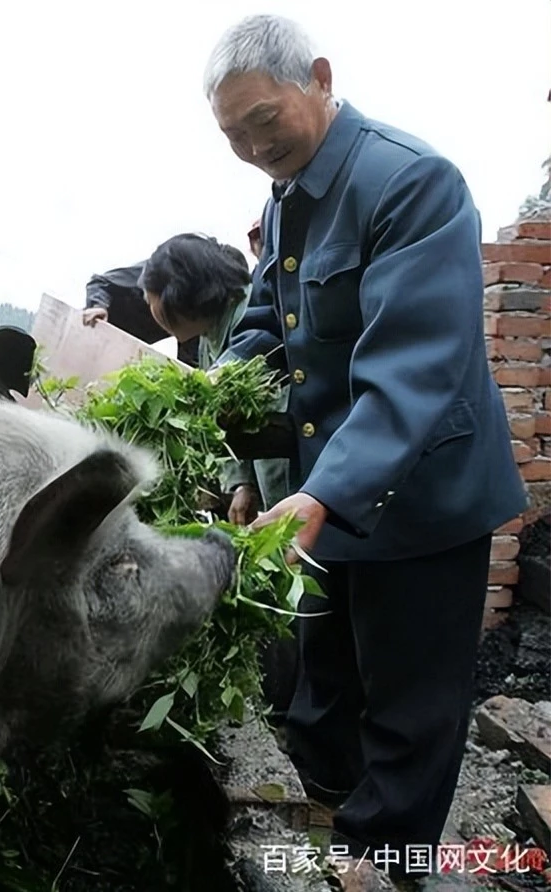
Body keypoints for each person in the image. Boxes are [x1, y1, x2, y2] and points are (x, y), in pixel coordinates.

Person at [203, 13, 527, 886]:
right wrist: (216, 385)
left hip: (420, 496)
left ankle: (386, 865)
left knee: (410, 716)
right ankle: (342, 827)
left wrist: (321, 494)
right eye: (233, 135)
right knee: (322, 691)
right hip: (334, 491)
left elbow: (412, 370)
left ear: (317, 76)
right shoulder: (288, 195)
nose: (252, 146)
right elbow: (273, 317)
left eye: (263, 120)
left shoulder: (409, 182)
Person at [136, 233, 292, 520]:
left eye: (153, 298)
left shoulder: (252, 314)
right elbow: (228, 422)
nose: (151, 307)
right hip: (270, 484)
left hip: (295, 478)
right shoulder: (208, 337)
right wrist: (241, 484)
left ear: (181, 293)